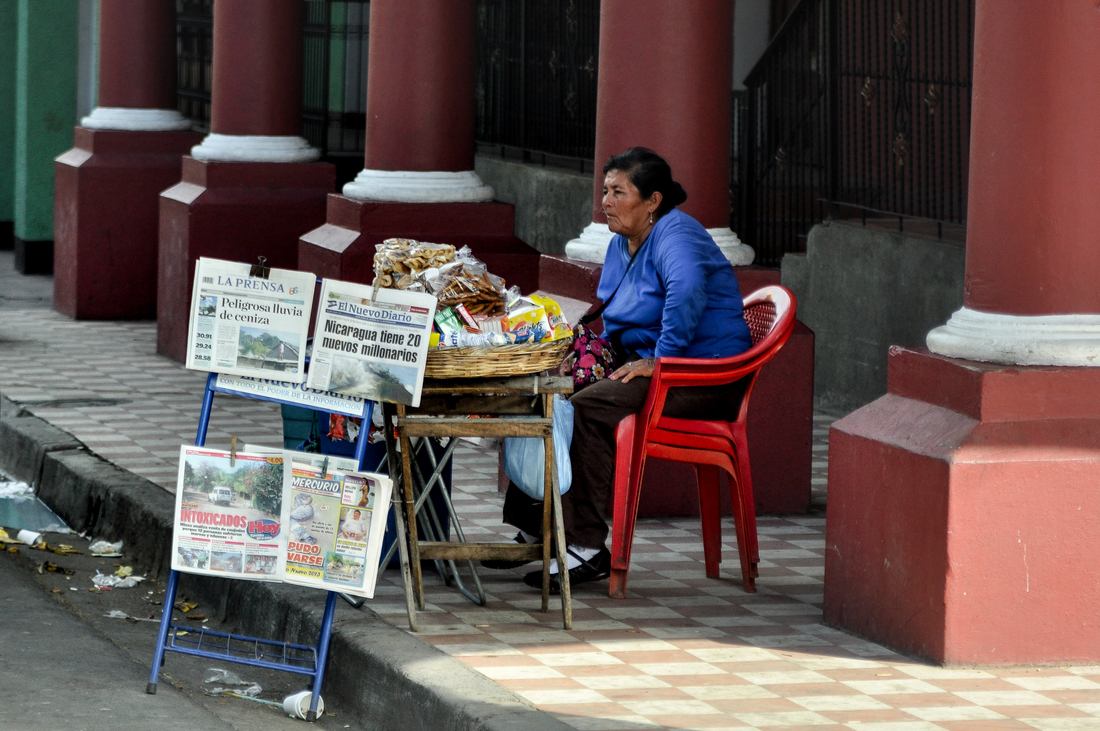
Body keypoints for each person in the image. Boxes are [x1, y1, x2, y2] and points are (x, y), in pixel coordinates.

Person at [489, 147, 752, 591]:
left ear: (653, 200)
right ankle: (537, 527)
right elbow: (616, 318)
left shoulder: (677, 235)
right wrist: (588, 356)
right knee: (547, 390)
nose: (606, 202)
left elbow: (685, 292)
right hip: (646, 364)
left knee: (587, 409)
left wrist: (662, 359)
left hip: (703, 377)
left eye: (618, 192)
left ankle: (587, 549)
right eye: (605, 191)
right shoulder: (619, 244)